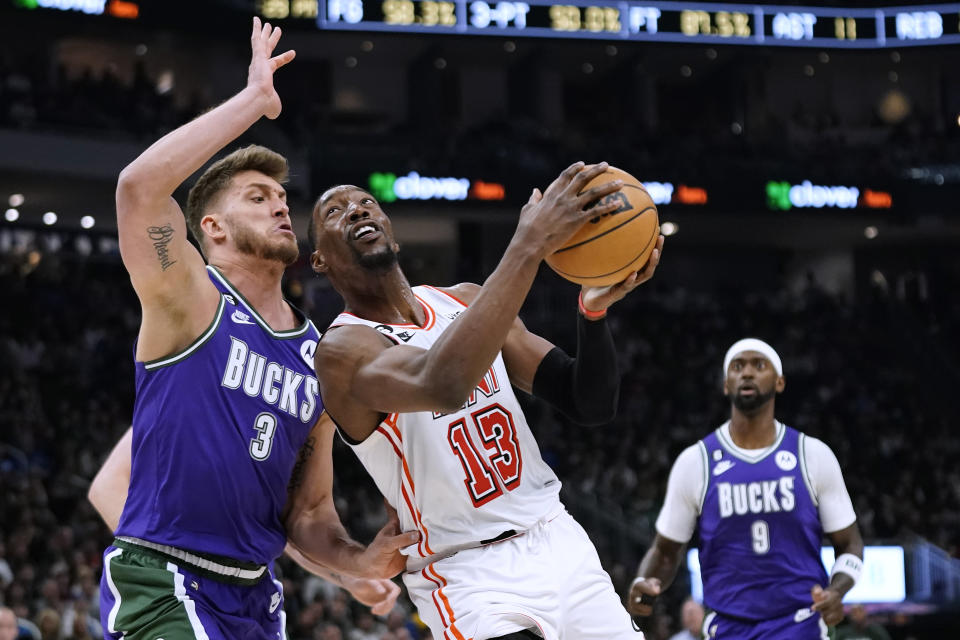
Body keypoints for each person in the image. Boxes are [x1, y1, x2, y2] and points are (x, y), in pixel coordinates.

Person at [88, 18, 417, 640]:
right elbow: (137, 190)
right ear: (210, 228)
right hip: (166, 578)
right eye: (257, 196)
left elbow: (310, 511)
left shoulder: (321, 355)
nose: (279, 205)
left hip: (256, 594)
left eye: (281, 197)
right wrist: (253, 103)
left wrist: (353, 564)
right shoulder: (189, 298)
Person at [307, 167, 665, 640]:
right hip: (466, 572)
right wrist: (527, 245)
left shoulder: (467, 301)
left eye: (366, 203)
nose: (355, 209)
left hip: (556, 537)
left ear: (390, 228)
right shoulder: (342, 352)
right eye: (335, 211)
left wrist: (593, 314)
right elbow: (443, 382)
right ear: (319, 261)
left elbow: (588, 401)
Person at [628, 338, 865, 639]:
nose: (747, 373)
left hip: (800, 622)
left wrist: (837, 590)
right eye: (737, 367)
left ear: (779, 383)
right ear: (726, 384)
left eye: (759, 365)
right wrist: (643, 580)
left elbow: (851, 544)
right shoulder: (695, 462)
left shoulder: (812, 454)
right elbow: (664, 553)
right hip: (727, 626)